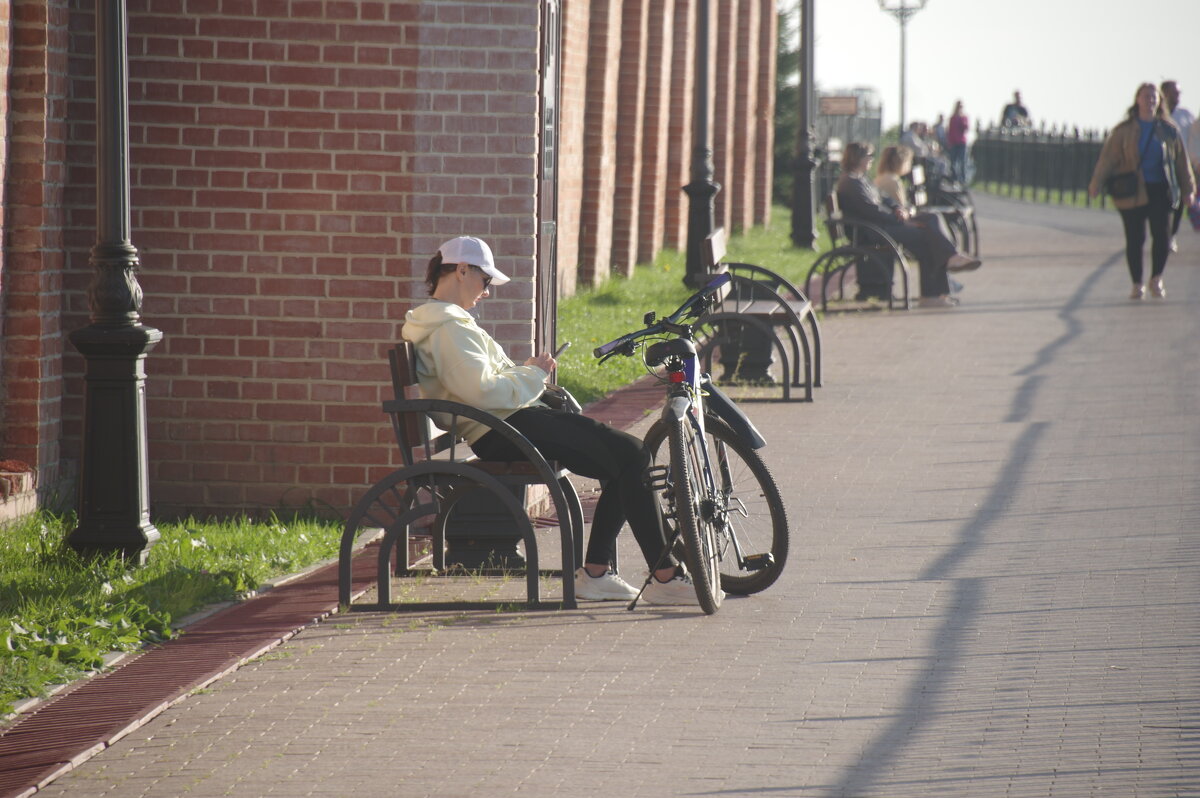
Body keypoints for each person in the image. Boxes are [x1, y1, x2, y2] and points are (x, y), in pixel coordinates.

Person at [401, 236, 704, 605]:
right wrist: (535, 376)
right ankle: (663, 576)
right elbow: (481, 392)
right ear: (462, 270)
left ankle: (599, 573)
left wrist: (527, 373)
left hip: (507, 423)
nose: (487, 292)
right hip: (504, 427)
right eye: (484, 281)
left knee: (624, 460)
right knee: (633, 455)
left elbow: (480, 386)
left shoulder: (446, 323)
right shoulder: (449, 327)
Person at [837, 142, 981, 308]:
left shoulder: (860, 179)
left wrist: (898, 208)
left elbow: (884, 198)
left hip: (880, 226)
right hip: (871, 232)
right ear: (858, 158)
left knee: (932, 219)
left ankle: (947, 269)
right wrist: (901, 220)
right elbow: (871, 211)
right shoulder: (850, 183)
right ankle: (935, 289)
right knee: (927, 239)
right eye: (869, 156)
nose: (871, 159)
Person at [1089, 84, 1195, 300]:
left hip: (1161, 189)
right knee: (1135, 238)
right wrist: (1096, 183)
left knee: (1162, 235)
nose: (1150, 101)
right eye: (1146, 97)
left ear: (1159, 101)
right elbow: (1108, 158)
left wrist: (1188, 189)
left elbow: (1181, 162)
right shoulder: (1124, 130)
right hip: (1132, 190)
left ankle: (1156, 278)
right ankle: (1137, 283)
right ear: (1137, 100)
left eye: (1154, 97)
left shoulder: (1168, 129)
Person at [1161, 81, 1195, 248]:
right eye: (1174, 93)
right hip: (1163, 166)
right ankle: (1162, 232)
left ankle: (1171, 235)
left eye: (1179, 93)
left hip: (1182, 165)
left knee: (1180, 202)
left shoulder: (1186, 116)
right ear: (1165, 93)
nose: (1178, 97)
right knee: (1164, 201)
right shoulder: (1158, 115)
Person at [947, 101, 970, 184]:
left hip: (961, 142)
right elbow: (950, 131)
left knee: (962, 161)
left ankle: (963, 179)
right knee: (953, 162)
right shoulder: (952, 118)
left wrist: (962, 121)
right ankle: (954, 178)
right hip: (954, 142)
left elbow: (966, 128)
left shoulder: (964, 117)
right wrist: (949, 142)